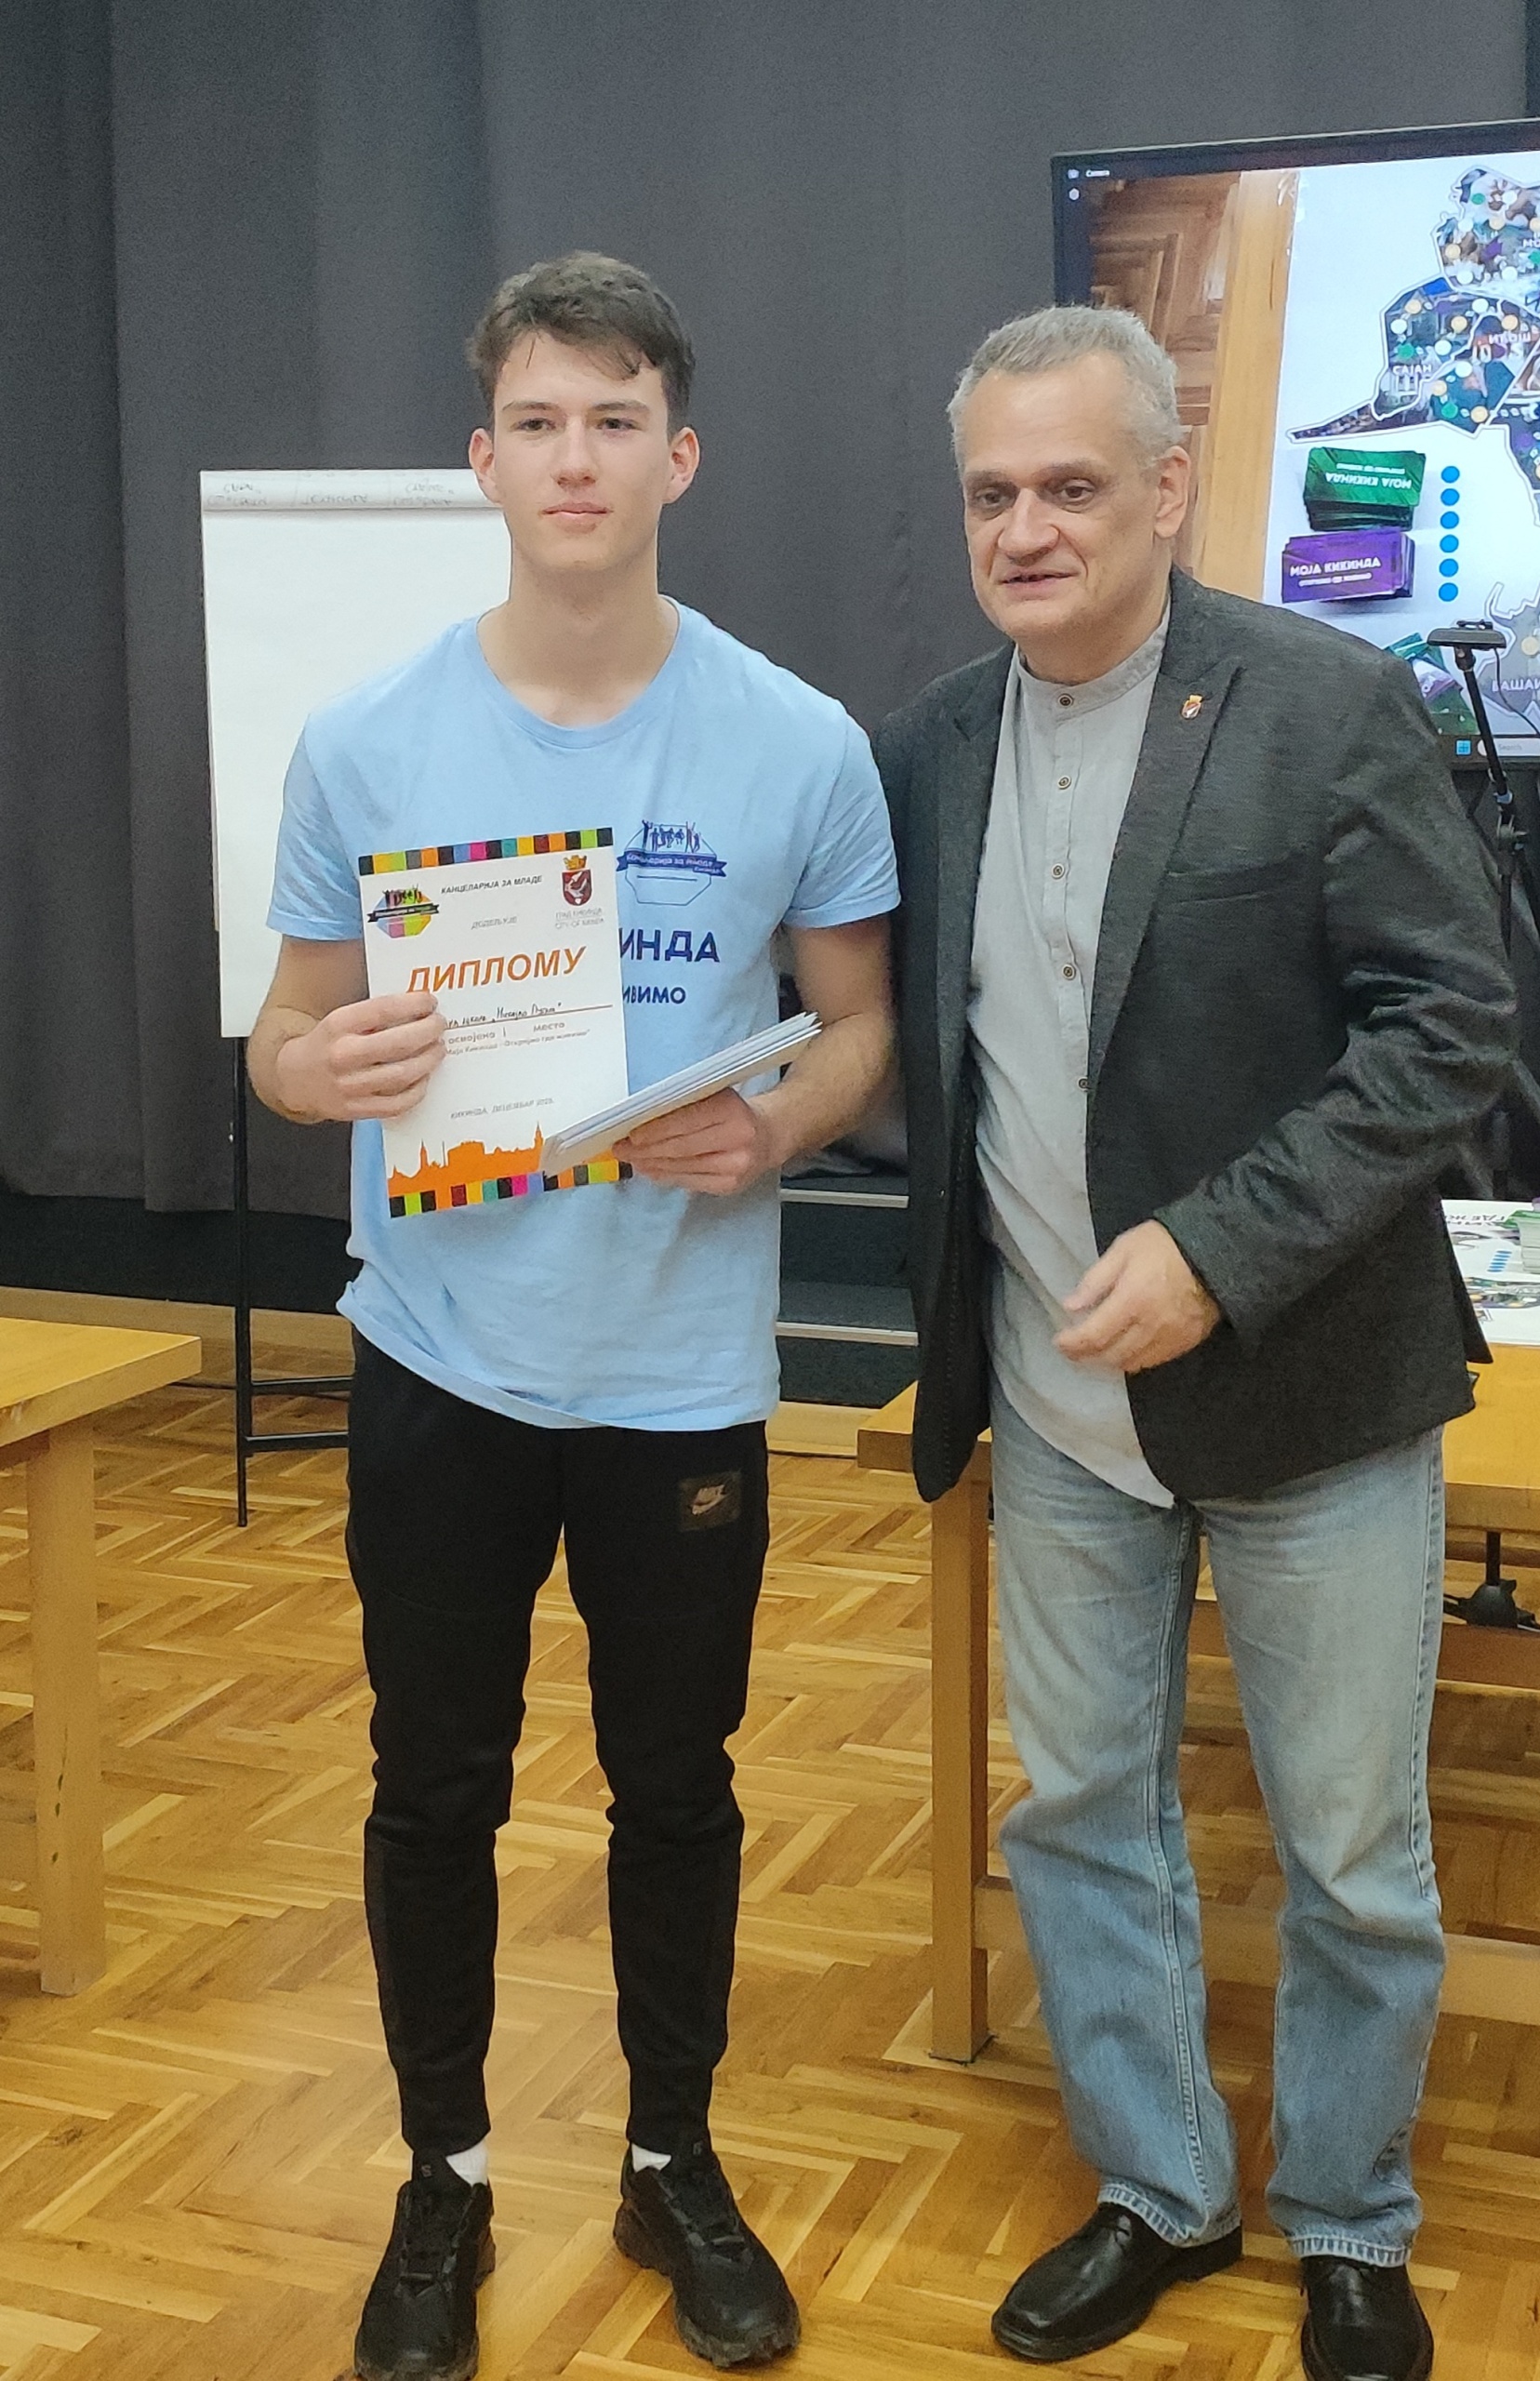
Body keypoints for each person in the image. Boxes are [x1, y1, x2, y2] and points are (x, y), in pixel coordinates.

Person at [249, 252, 897, 2381]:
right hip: (439, 1354)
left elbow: (859, 1026)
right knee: (432, 1784)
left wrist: (775, 1125)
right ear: (483, 458)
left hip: (680, 1372)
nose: (577, 457)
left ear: (677, 454)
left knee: (677, 1782)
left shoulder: (795, 737)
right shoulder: (365, 739)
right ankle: (440, 2174)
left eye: (615, 418)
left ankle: (668, 2157)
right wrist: (318, 1068)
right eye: (538, 419)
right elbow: (282, 1036)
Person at [874, 306, 1516, 2379]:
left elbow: (1449, 1029)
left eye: (1070, 485)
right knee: (1079, 1813)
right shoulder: (930, 747)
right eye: (992, 493)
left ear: (1165, 486)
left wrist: (1219, 1253)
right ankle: (1157, 2186)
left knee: (1350, 1849)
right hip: (1055, 1406)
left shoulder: (1323, 702)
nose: (1026, 529)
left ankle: (1346, 2213)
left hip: (1308, 1393)